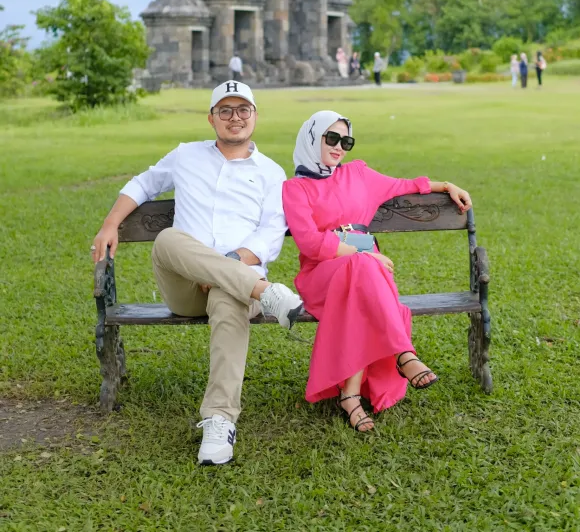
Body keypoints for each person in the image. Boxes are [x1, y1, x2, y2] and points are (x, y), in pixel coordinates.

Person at [91, 81, 303, 467]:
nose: (234, 117)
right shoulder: (186, 155)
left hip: (237, 287)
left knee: (228, 295)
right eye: (225, 110)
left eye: (243, 110)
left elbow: (271, 233)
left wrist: (226, 267)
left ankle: (220, 420)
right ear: (211, 118)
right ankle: (267, 292)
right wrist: (110, 223)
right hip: (187, 288)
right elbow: (144, 183)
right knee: (169, 238)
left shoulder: (272, 172)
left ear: (255, 116)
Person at [282, 111, 471, 432]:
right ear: (312, 138)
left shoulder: (358, 174)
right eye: (331, 138)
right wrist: (360, 252)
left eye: (346, 141)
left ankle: (350, 395)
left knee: (362, 284)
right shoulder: (295, 188)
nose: (339, 147)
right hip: (322, 276)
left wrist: (446, 185)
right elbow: (311, 243)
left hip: (365, 273)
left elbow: (404, 185)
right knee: (365, 266)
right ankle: (403, 352)